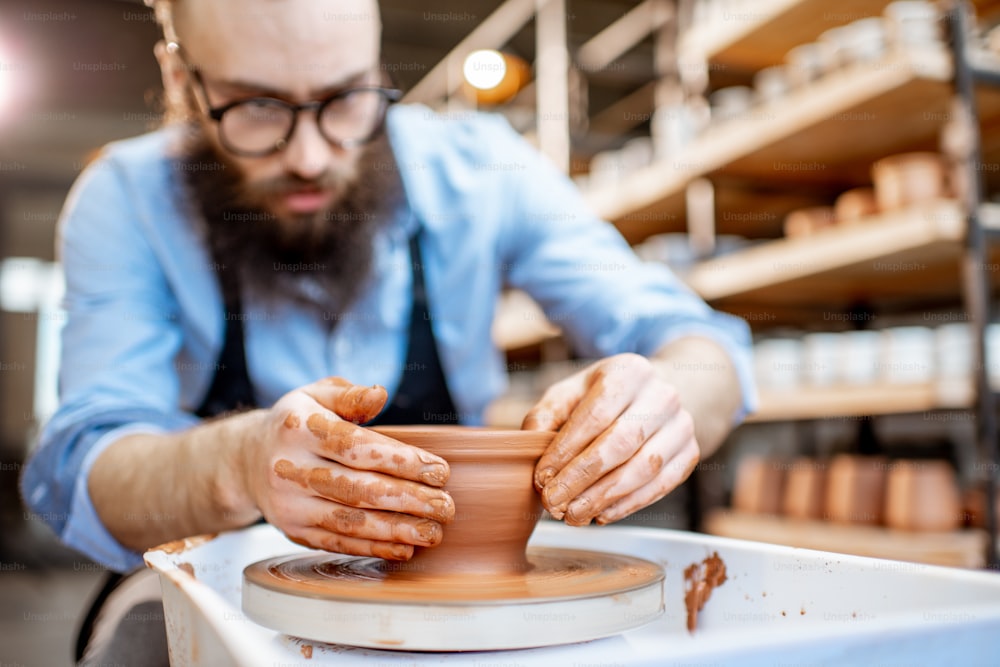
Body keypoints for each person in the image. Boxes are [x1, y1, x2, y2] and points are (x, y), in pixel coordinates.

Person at [21, 0, 755, 663]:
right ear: (181, 78)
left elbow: (701, 347)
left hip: (465, 600)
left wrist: (663, 402)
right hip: (220, 580)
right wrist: (244, 462)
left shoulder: (481, 171)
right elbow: (85, 464)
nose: (309, 156)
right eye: (256, 107)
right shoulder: (127, 198)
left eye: (345, 98)